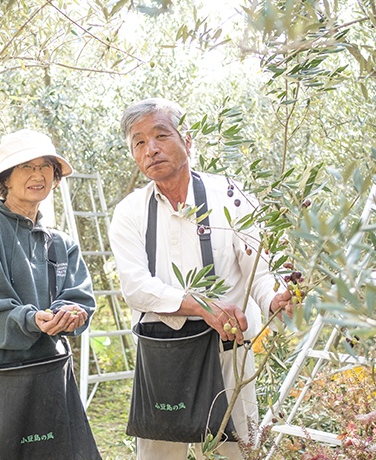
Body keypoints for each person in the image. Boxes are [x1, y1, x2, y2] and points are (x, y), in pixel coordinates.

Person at [109, 98, 294, 460]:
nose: (152, 149)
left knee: (239, 451)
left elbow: (258, 266)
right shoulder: (129, 212)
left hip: (229, 355)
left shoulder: (230, 197)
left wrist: (275, 297)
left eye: (161, 135)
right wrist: (204, 306)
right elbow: (135, 287)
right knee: (159, 454)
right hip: (165, 360)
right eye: (140, 142)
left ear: (188, 140)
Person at [0, 129, 99, 459]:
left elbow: (81, 300)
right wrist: (33, 319)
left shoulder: (61, 244)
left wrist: (70, 314)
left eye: (46, 166)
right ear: (5, 178)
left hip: (51, 379)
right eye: (26, 167)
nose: (38, 175)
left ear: (56, 176)